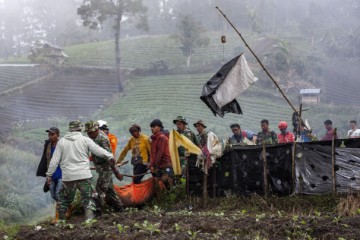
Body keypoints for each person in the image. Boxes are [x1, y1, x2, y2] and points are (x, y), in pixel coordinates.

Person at [46, 120, 123, 222]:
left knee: (64, 200)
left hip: (68, 177)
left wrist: (49, 174)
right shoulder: (85, 140)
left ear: (70, 129)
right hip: (84, 176)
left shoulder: (62, 142)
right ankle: (89, 221)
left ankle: (61, 222)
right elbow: (98, 150)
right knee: (88, 199)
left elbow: (54, 161)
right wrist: (109, 156)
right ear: (79, 129)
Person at [85, 121, 124, 213]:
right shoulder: (95, 137)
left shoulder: (102, 139)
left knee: (99, 190)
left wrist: (116, 172)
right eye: (88, 133)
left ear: (96, 130)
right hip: (101, 169)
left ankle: (97, 211)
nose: (89, 134)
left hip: (106, 169)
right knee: (110, 190)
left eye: (90, 132)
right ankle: (120, 208)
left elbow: (109, 157)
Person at [38, 127, 61, 224]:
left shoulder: (62, 144)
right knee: (53, 194)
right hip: (51, 174)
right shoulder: (48, 145)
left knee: (58, 194)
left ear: (58, 135)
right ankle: (67, 206)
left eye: (52, 134)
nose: (50, 136)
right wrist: (47, 174)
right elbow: (45, 159)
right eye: (49, 135)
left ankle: (59, 218)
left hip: (62, 174)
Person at [149, 119, 173, 190]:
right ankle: (161, 199)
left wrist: (155, 166)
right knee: (157, 183)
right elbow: (152, 154)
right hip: (157, 166)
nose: (152, 128)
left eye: (154, 126)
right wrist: (151, 165)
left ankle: (171, 198)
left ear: (159, 128)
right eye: (151, 127)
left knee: (166, 181)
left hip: (165, 164)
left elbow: (160, 153)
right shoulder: (153, 139)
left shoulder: (162, 137)